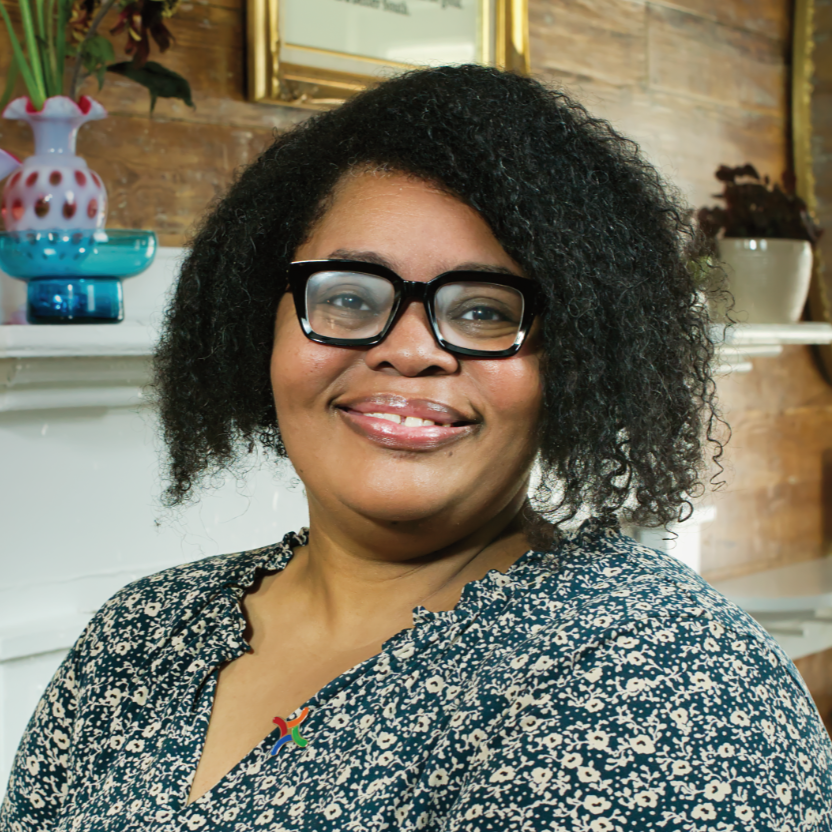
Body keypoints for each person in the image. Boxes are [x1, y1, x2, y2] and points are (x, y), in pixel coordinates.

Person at [2, 65, 830, 832]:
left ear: (578, 360)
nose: (408, 349)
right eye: (349, 295)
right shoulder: (142, 632)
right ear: (262, 325)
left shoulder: (661, 680)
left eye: (483, 310)